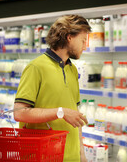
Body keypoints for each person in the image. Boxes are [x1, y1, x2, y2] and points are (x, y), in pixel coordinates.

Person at [14, 15, 91, 162]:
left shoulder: (72, 69)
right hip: (43, 156)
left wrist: (81, 153)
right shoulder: (36, 68)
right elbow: (19, 113)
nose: (85, 46)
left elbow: (75, 114)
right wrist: (60, 112)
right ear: (69, 37)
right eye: (83, 40)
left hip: (71, 156)